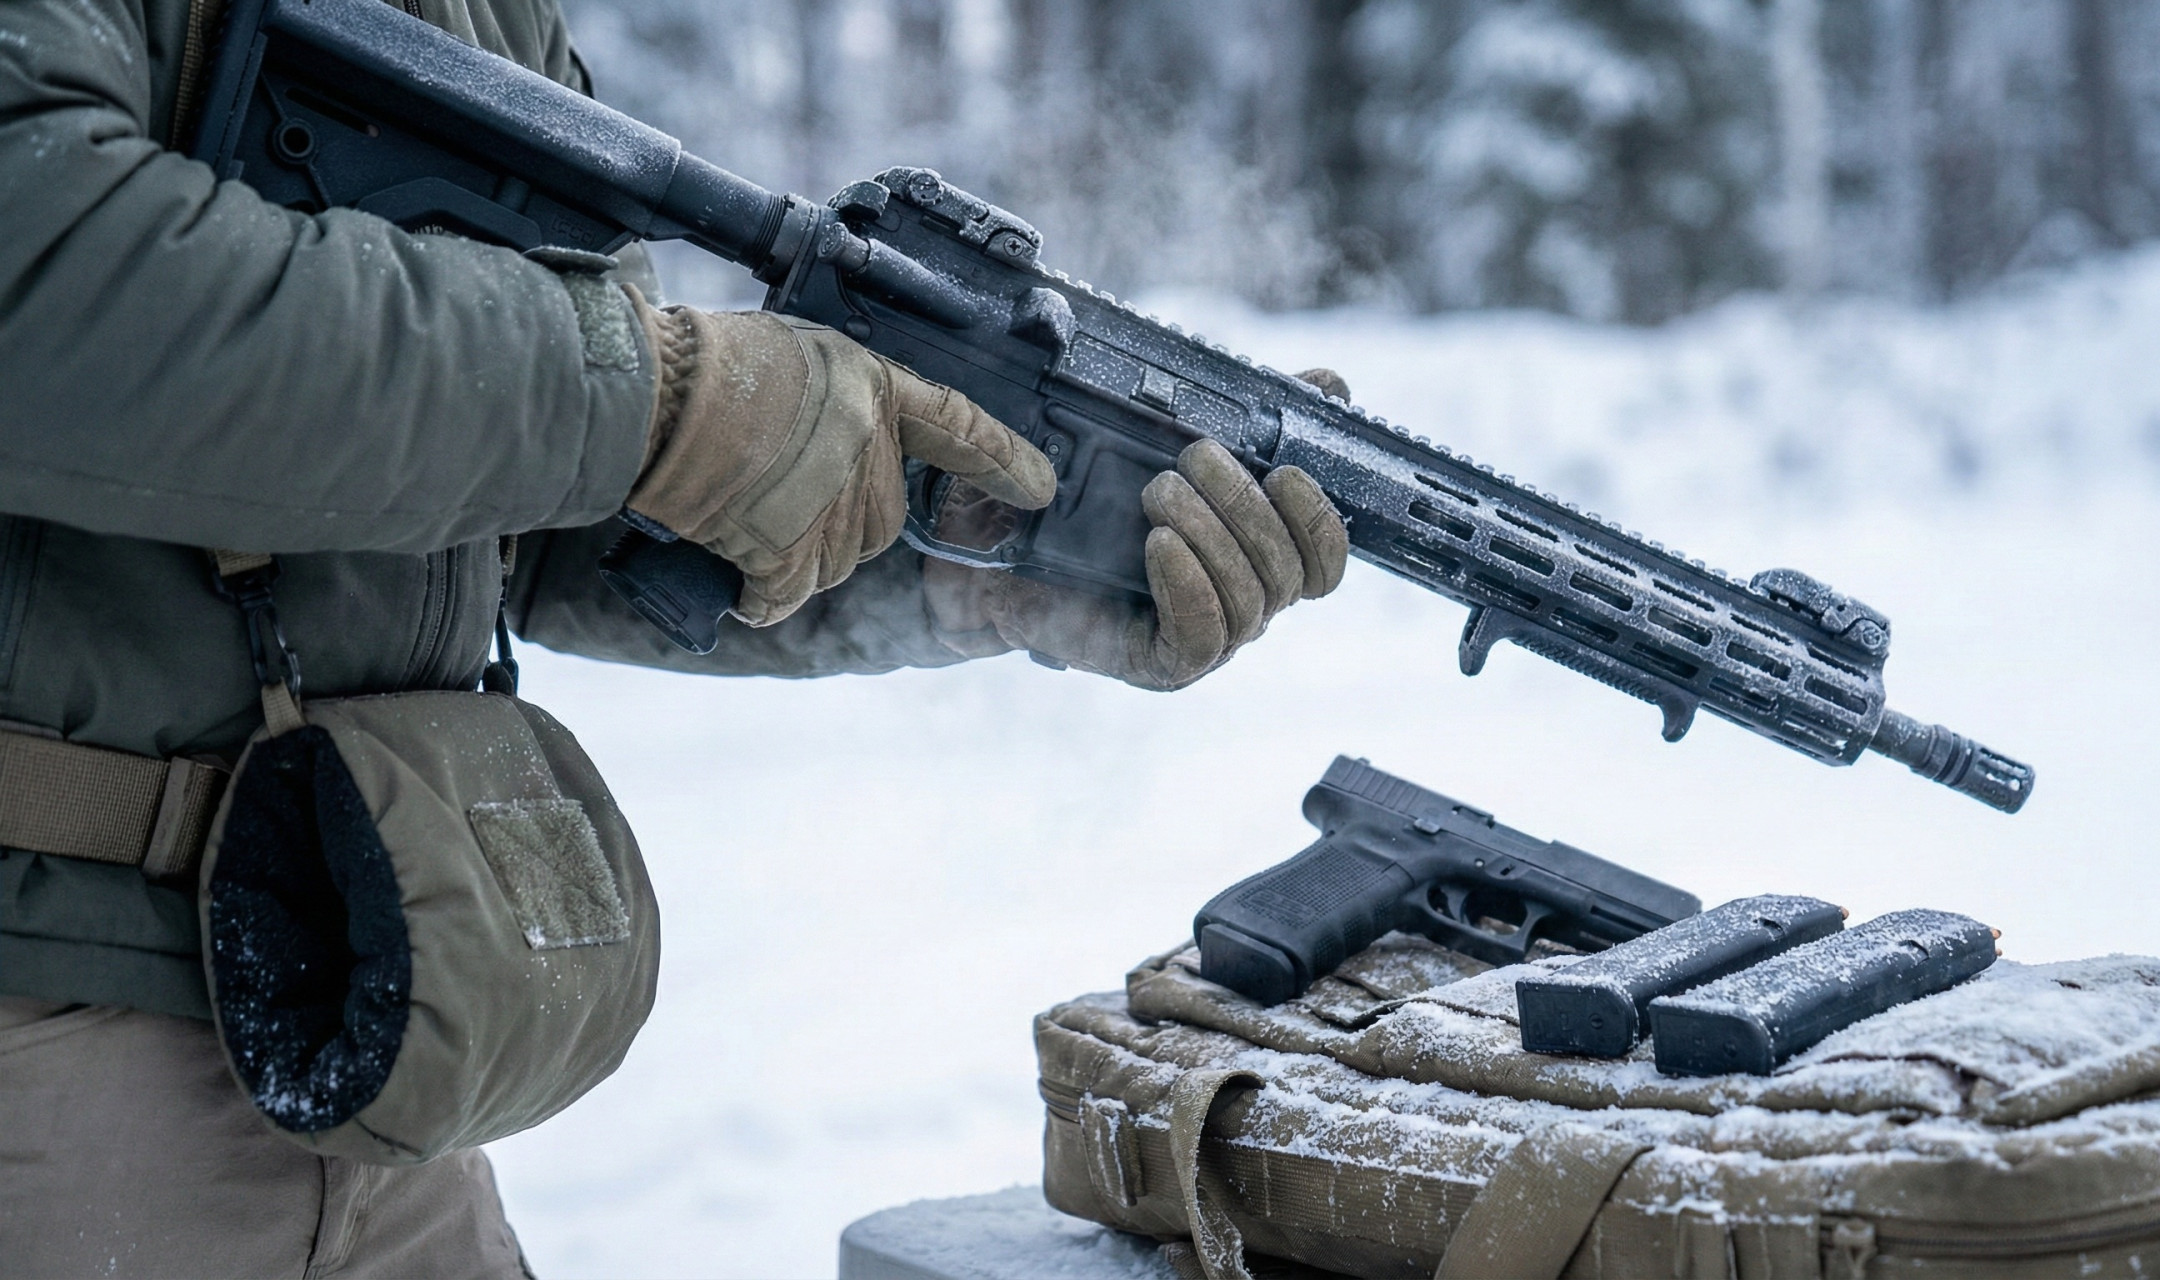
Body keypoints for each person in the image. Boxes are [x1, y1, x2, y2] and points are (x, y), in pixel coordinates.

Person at [0, 0, 1348, 1273]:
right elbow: (35, 267)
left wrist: (981, 570)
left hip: (355, 1024)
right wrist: (651, 402)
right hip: (63, 1056)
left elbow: (521, 508)